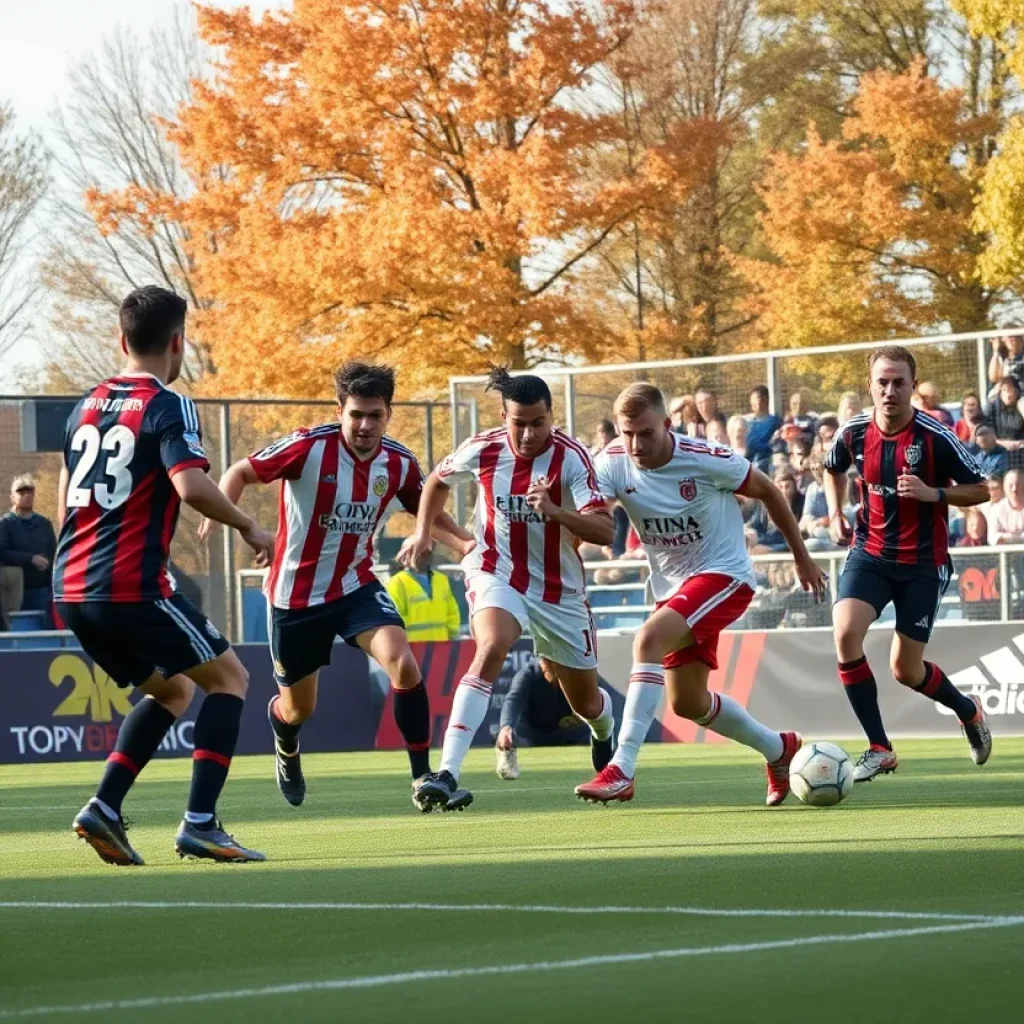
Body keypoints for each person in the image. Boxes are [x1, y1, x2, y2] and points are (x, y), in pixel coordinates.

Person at [56, 285, 275, 865]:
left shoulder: (83, 405)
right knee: (230, 679)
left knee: (173, 689)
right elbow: (191, 485)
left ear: (120, 339)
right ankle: (200, 823)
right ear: (177, 342)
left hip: (71, 585)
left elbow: (65, 500)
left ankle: (104, 807)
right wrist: (252, 528)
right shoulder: (167, 404)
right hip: (129, 584)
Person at [208, 362, 474, 811]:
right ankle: (285, 740)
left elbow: (425, 507)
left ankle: (423, 779)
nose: (365, 425)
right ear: (340, 410)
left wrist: (465, 544)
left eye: (375, 415)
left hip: (356, 585)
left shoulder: (399, 461)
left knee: (403, 663)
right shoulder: (308, 447)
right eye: (356, 414)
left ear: (388, 413)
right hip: (294, 596)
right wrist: (229, 517)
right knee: (298, 709)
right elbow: (239, 471)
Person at [575, 383, 827, 806]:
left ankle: (621, 768)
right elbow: (591, 518)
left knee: (647, 640)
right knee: (687, 703)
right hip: (674, 589)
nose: (635, 443)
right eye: (627, 433)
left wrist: (801, 557)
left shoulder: (707, 459)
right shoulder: (612, 462)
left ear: (667, 425)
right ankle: (778, 748)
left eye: (645, 433)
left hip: (725, 576)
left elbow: (768, 491)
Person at [401, 368, 617, 808]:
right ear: (504, 417)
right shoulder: (481, 449)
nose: (529, 433)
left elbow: (605, 531)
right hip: (495, 569)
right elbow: (436, 482)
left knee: (587, 704)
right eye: (519, 423)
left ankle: (603, 731)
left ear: (551, 417)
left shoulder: (572, 458)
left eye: (538, 422)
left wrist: (556, 511)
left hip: (559, 591)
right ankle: (447, 773)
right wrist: (424, 532)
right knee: (492, 646)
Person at [823, 345, 992, 783]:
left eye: (899, 382)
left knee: (905, 670)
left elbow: (982, 489)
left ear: (913, 386)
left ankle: (968, 710)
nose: (890, 390)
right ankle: (880, 748)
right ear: (870, 386)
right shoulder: (853, 431)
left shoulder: (935, 437)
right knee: (844, 633)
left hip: (923, 562)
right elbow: (831, 467)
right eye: (882, 382)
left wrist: (934, 493)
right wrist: (835, 510)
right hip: (870, 553)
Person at [495, 659, 615, 779]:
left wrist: (583, 717)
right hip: (532, 736)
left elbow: (601, 702)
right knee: (517, 738)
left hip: (571, 735)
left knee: (594, 735)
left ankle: (608, 767)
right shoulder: (527, 674)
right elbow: (513, 700)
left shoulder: (578, 673)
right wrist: (506, 726)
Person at [0, 475, 57, 627]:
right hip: (15, 594)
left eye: (30, 491)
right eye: (21, 492)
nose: (27, 495)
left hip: (43, 592)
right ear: (12, 497)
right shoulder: (5, 524)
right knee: (21, 637)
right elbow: (2, 553)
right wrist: (30, 559)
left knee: (44, 636)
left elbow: (54, 552)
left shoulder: (44, 523)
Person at [386, 557, 462, 642]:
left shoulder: (441, 579)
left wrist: (453, 637)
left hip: (439, 645)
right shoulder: (397, 582)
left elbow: (452, 612)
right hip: (413, 647)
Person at [750, 468, 805, 553]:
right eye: (780, 487)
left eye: (787, 487)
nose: (784, 491)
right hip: (767, 539)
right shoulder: (766, 502)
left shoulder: (801, 502)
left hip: (786, 543)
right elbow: (753, 525)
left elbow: (799, 537)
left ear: (794, 486)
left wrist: (770, 549)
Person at [744, 385, 781, 472]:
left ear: (767, 400)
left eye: (760, 399)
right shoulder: (745, 421)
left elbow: (775, 443)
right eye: (754, 399)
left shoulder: (774, 421)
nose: (758, 402)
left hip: (765, 460)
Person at [985, 376, 1024, 448]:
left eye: (1011, 390)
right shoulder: (992, 407)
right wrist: (1001, 443)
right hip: (997, 447)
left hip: (1018, 447)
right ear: (1000, 392)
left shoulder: (1020, 406)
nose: (1008, 394)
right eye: (1004, 390)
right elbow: (986, 432)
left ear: (1016, 392)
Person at [988, 469, 1024, 544]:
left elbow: (1000, 537)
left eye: (1018, 484)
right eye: (1010, 485)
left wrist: (1006, 537)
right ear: (1005, 487)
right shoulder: (996, 509)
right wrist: (1019, 538)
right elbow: (993, 537)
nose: (1014, 489)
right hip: (1004, 554)